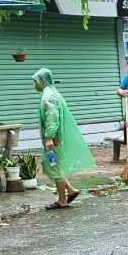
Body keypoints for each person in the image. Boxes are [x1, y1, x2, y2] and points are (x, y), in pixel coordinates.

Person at [33, 68, 95, 210]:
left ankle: (62, 200)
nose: (34, 85)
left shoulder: (48, 97)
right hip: (54, 139)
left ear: (42, 81)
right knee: (53, 165)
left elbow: (52, 119)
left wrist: (49, 138)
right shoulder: (52, 92)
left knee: (56, 167)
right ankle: (71, 190)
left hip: (53, 140)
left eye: (35, 81)